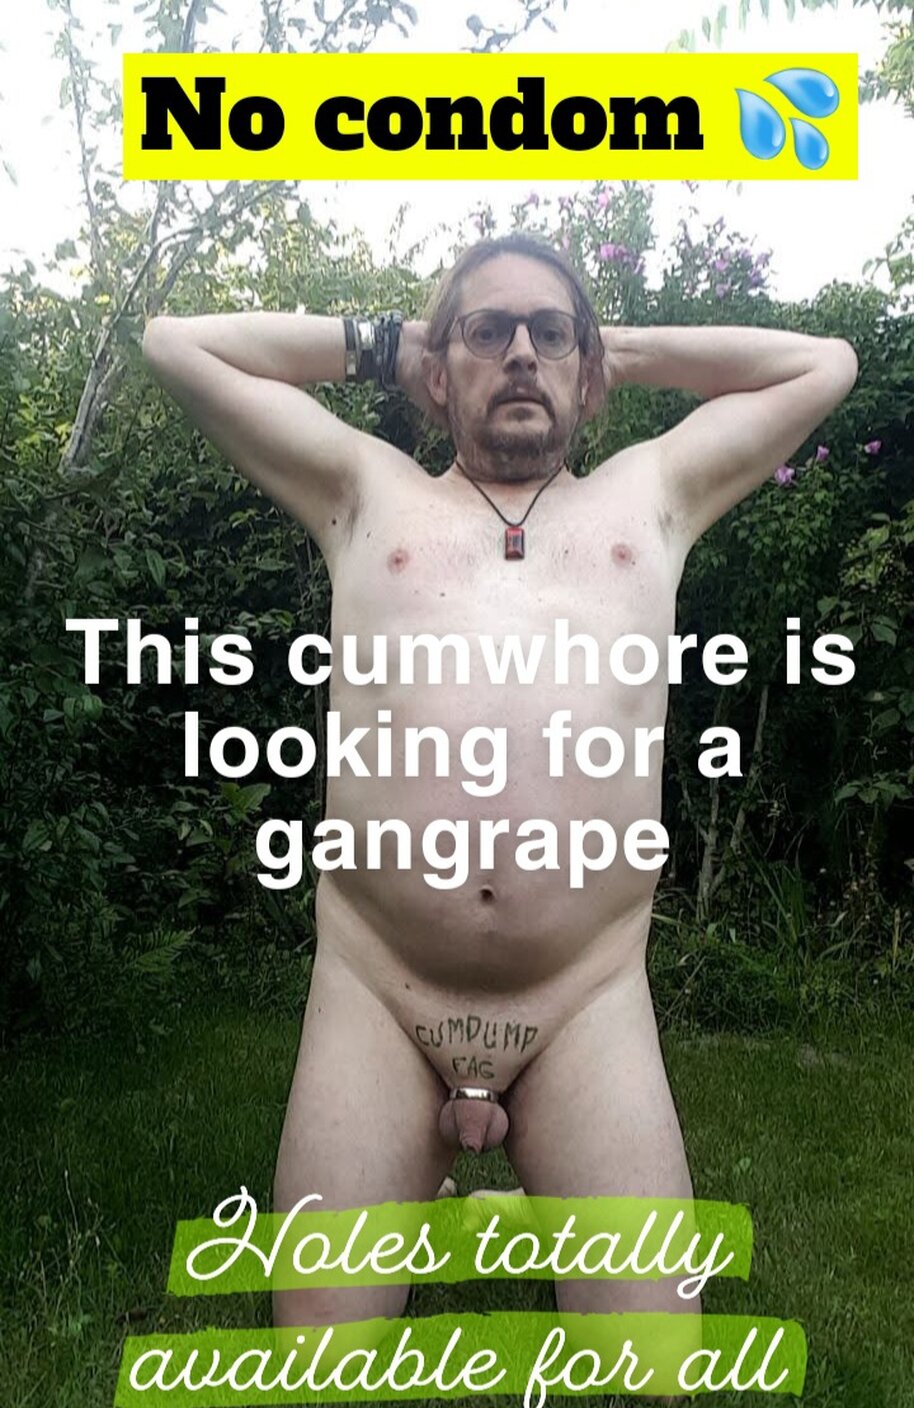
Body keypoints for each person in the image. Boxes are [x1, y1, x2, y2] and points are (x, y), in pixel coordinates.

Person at [143, 232, 857, 1343]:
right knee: (319, 1358)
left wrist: (615, 348)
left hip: (583, 997)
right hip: (380, 989)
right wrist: (389, 343)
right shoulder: (362, 491)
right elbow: (175, 344)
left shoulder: (651, 498)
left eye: (549, 333)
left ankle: (512, 1179)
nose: (521, 353)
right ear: (436, 371)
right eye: (488, 332)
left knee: (655, 1365)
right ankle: (436, 1176)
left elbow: (823, 364)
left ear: (586, 372)